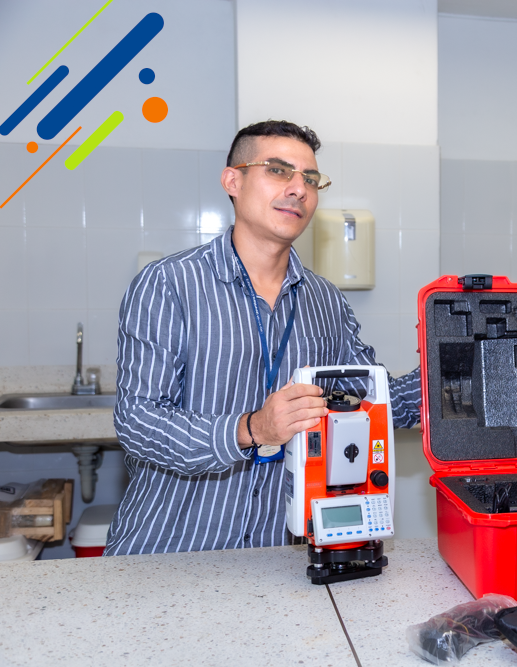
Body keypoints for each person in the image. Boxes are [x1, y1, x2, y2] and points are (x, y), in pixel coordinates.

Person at [105, 121, 421, 555]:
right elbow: (138, 422)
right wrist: (252, 428)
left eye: (311, 179)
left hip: (277, 556)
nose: (299, 189)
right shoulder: (169, 285)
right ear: (232, 181)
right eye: (277, 170)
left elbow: (379, 402)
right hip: (171, 551)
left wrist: (457, 368)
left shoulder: (326, 301)